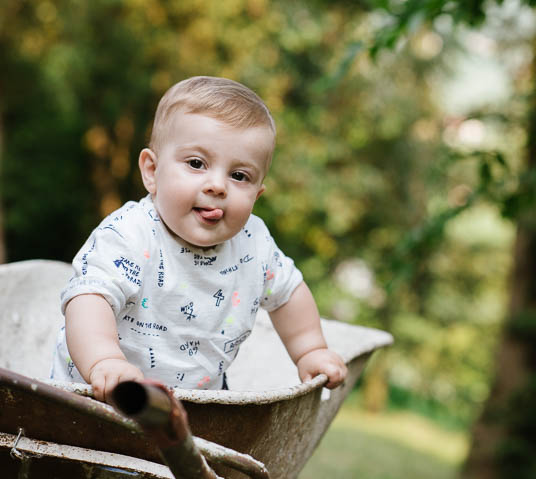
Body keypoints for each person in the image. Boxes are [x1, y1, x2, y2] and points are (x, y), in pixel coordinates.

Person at [51, 76, 347, 401]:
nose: (217, 186)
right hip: (96, 396)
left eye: (239, 176)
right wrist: (105, 361)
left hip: (198, 406)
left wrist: (310, 350)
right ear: (152, 171)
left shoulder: (254, 243)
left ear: (257, 194)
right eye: (196, 164)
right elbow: (89, 299)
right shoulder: (130, 233)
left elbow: (289, 294)